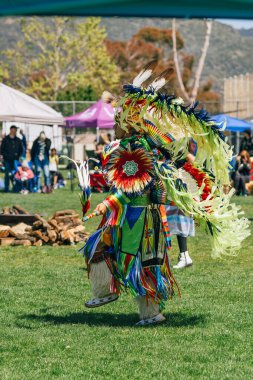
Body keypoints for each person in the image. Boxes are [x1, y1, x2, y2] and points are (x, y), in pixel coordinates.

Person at [76, 64, 249, 326]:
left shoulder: (136, 147)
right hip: (141, 215)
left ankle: (142, 308)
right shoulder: (140, 145)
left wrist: (108, 203)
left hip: (138, 216)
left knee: (142, 262)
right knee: (123, 254)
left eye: (117, 123)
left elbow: (136, 186)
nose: (115, 127)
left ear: (128, 124)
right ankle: (112, 294)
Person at [0, 125, 23, 192]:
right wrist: (4, 156)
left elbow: (21, 150)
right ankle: (6, 188)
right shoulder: (5, 139)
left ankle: (15, 188)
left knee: (14, 174)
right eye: (12, 130)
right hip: (7, 160)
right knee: (7, 174)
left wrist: (18, 156)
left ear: (16, 131)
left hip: (15, 160)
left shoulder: (18, 140)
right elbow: (1, 149)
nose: (13, 131)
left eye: (15, 130)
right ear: (10, 130)